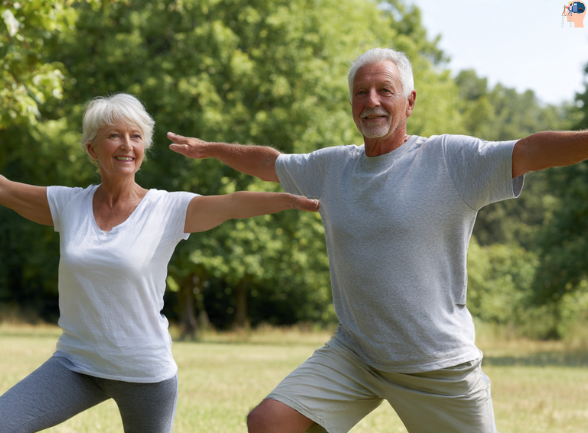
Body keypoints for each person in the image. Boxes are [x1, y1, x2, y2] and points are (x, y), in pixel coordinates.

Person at [168, 47, 588, 433]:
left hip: (435, 364)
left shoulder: (449, 160)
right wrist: (211, 149)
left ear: (410, 101)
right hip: (356, 354)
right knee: (269, 422)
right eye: (360, 92)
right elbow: (269, 162)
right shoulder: (332, 167)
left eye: (385, 90)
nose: (371, 101)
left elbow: (529, 151)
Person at [0, 93, 319, 433]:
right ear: (92, 149)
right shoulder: (68, 205)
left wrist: (288, 199)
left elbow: (233, 203)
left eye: (135, 136)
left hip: (144, 374)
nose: (126, 145)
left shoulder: (167, 209)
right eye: (114, 135)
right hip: (76, 365)